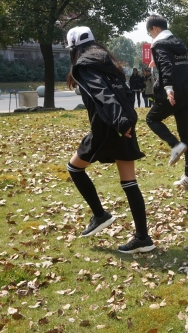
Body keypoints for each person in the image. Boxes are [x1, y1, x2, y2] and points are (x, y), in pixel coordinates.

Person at [64, 26, 154, 254]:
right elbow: (125, 94)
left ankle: (100, 215)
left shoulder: (84, 65)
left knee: (74, 168)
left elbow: (102, 93)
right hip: (123, 124)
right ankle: (143, 238)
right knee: (129, 182)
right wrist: (127, 120)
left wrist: (121, 122)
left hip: (108, 127)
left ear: (73, 47)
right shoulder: (108, 62)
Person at [144, 15, 188, 187]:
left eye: (149, 33)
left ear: (155, 28)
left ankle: (175, 145)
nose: (150, 36)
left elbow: (167, 65)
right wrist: (157, 62)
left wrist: (168, 88)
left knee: (151, 119)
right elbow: (174, 63)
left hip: (173, 93)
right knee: (187, 136)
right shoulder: (177, 42)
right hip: (187, 92)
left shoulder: (159, 44)